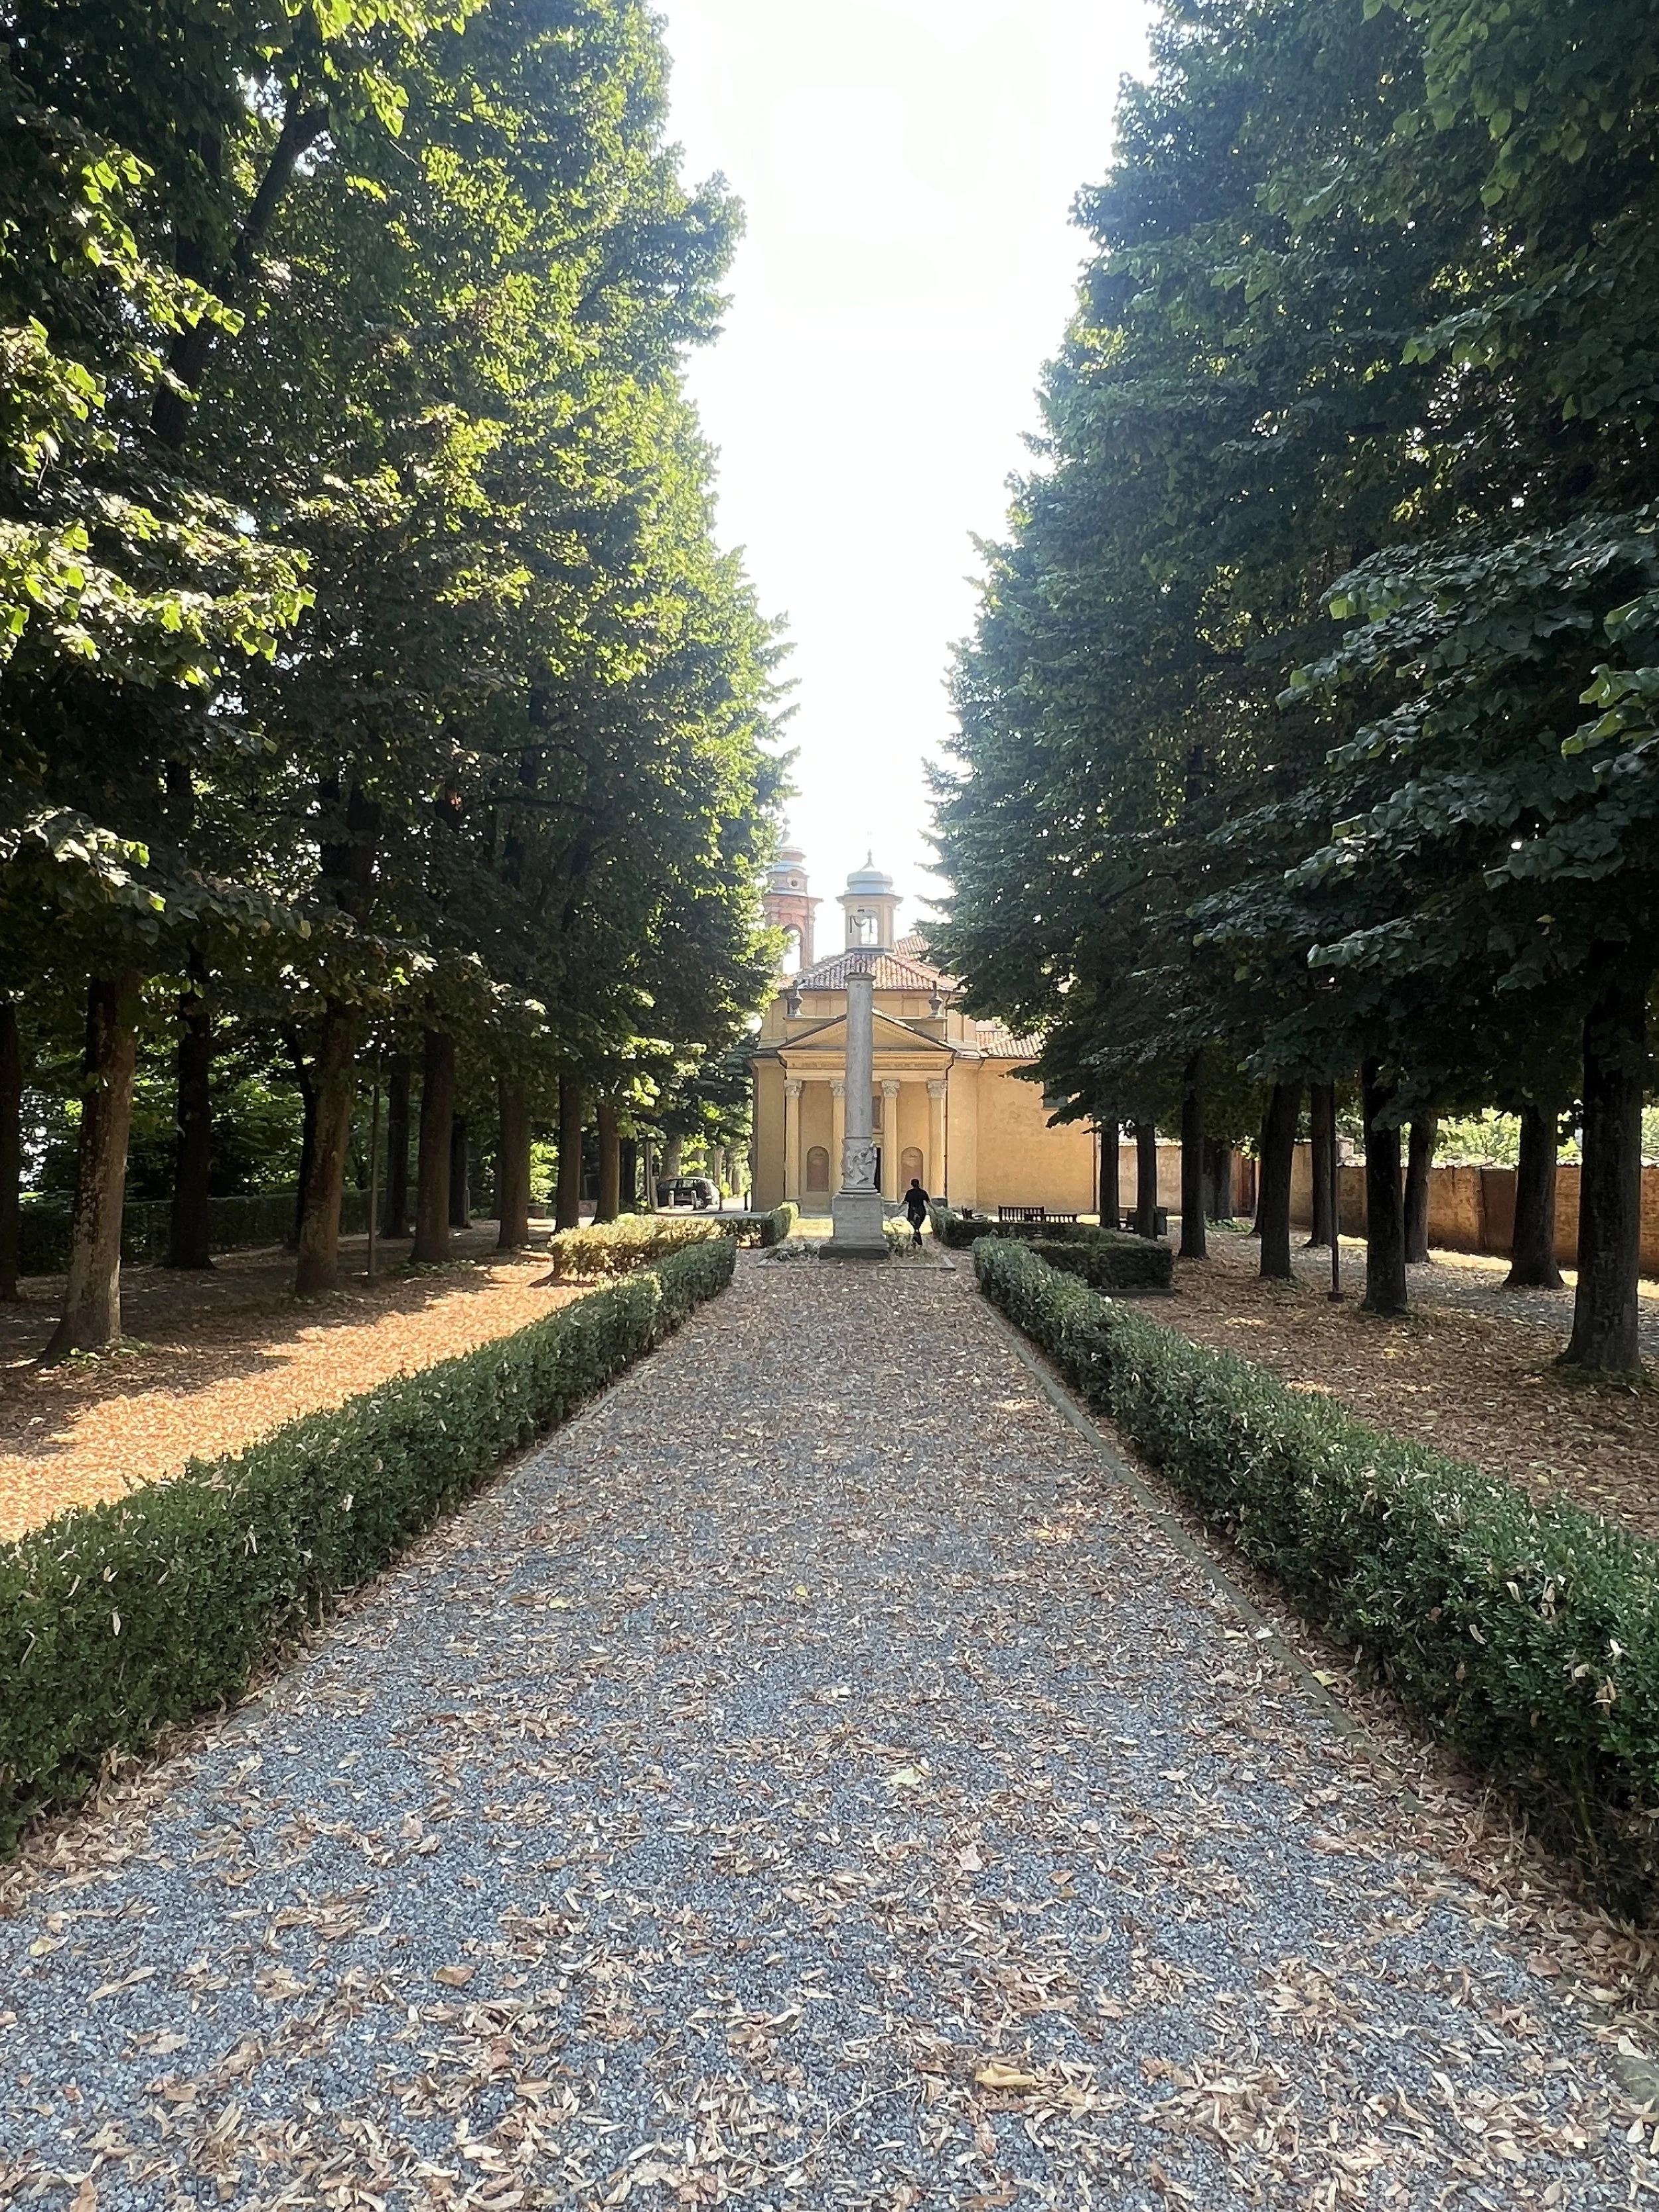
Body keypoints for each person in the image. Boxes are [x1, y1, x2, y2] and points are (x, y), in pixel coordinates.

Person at [902, 1177, 930, 1248]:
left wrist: (898, 1208)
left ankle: (916, 1240)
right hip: (921, 1211)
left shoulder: (909, 1193)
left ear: (912, 1185)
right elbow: (929, 1202)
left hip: (912, 1211)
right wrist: (935, 1210)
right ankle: (917, 1239)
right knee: (918, 1226)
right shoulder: (923, 1192)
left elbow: (905, 1202)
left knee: (914, 1224)